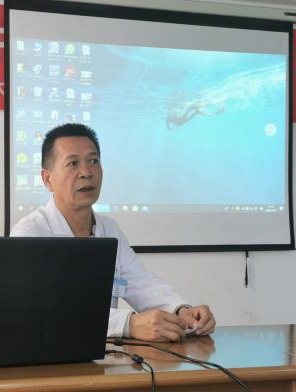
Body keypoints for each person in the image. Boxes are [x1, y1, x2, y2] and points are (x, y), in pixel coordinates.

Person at [11, 123, 216, 341]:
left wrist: (180, 310)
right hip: (47, 354)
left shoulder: (109, 229)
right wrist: (128, 324)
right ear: (47, 179)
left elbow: (139, 282)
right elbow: (43, 310)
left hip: (103, 354)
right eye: (73, 163)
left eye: (93, 161)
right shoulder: (30, 234)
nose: (86, 172)